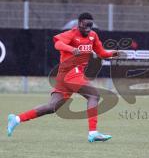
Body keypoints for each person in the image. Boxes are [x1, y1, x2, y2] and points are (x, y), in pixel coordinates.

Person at [7, 12, 119, 142]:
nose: (88, 29)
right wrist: (72, 49)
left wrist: (115, 53)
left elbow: (102, 53)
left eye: (90, 26)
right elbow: (57, 44)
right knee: (94, 95)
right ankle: (93, 132)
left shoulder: (93, 36)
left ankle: (16, 119)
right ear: (79, 24)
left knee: (52, 107)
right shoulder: (71, 33)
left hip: (66, 76)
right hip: (70, 72)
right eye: (85, 25)